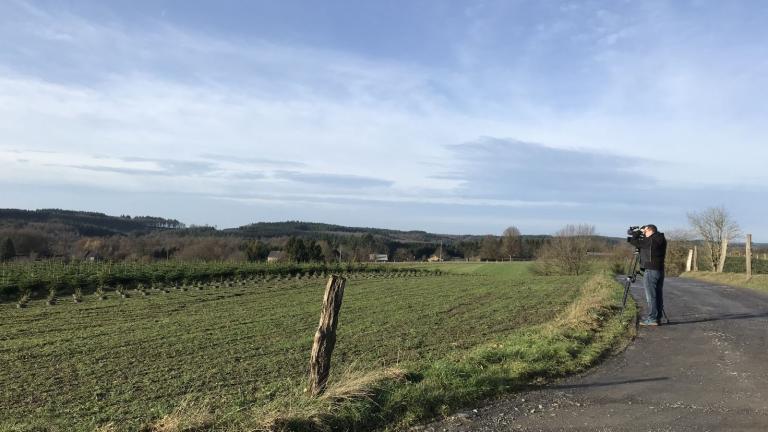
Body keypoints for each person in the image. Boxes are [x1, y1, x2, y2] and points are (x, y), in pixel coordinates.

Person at [627, 224, 667, 326]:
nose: (644, 233)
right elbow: (642, 243)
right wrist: (642, 233)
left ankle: (652, 318)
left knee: (651, 296)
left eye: (645, 232)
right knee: (658, 295)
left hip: (651, 271)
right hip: (659, 270)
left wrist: (639, 232)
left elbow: (633, 241)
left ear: (649, 230)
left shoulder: (650, 240)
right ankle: (657, 318)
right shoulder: (660, 238)